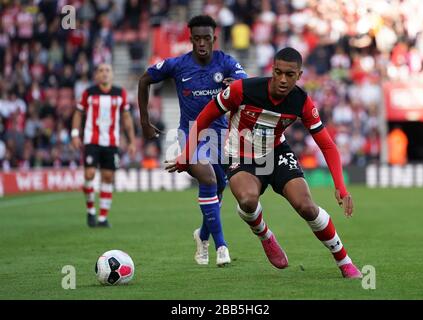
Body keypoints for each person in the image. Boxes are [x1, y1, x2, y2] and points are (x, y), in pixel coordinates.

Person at [166, 47, 362, 278]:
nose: (282, 79)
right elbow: (204, 118)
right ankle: (265, 235)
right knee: (248, 201)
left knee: (307, 206)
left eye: (290, 75)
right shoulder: (242, 90)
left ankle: (344, 261)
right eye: (278, 72)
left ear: (299, 76)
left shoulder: (302, 101)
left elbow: (327, 145)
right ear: (272, 69)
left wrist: (340, 186)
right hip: (240, 153)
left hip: (276, 152)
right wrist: (186, 154)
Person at [138, 15, 248, 266]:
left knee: (219, 188)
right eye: (196, 38)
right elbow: (144, 79)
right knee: (208, 178)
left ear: (214, 39)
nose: (201, 43)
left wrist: (237, 84)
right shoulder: (177, 65)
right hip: (189, 136)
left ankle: (202, 235)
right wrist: (144, 122)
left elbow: (246, 81)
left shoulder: (226, 62)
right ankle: (221, 247)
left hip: (220, 137)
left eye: (206, 38)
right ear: (190, 39)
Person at [71, 63, 136, 228]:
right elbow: (78, 113)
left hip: (112, 142)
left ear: (112, 75)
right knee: (89, 174)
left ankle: (102, 218)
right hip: (92, 140)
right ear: (96, 75)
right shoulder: (89, 93)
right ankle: (91, 210)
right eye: (101, 70)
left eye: (107, 70)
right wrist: (74, 134)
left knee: (107, 177)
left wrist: (132, 140)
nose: (104, 73)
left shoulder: (120, 93)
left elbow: (127, 118)